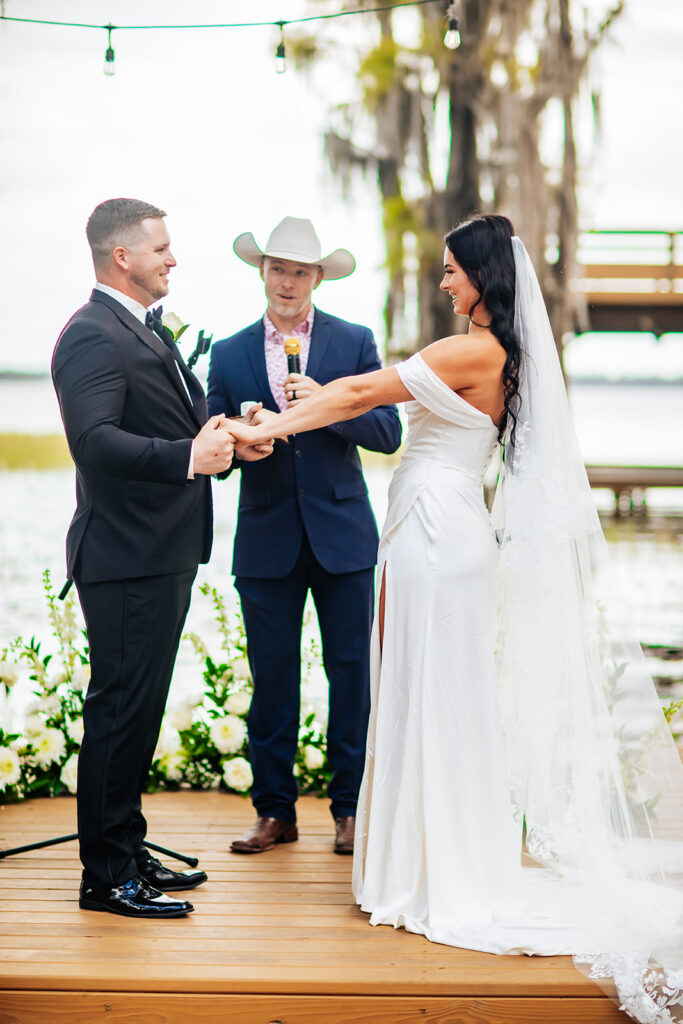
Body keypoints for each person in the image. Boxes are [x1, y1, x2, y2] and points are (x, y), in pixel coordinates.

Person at [227, 214, 683, 1022]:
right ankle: (429, 859)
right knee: (428, 693)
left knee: (429, 694)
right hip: (439, 525)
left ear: (482, 278)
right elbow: (360, 394)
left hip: (437, 534)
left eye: (449, 272)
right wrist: (288, 415)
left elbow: (365, 392)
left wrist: (268, 423)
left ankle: (434, 873)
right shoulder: (493, 352)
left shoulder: (476, 350)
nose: (441, 283)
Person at [52, 198, 264, 919]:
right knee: (118, 712)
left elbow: (180, 427)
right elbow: (95, 442)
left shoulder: (142, 328)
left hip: (160, 552)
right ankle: (105, 877)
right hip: (124, 555)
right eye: (161, 248)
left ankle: (126, 847)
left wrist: (232, 439)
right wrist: (186, 456)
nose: (173, 258)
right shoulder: (91, 335)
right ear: (122, 257)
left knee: (139, 714)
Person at [207, 216, 402, 855]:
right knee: (272, 679)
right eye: (277, 268)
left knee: (352, 677)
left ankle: (349, 811)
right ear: (261, 271)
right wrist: (244, 445)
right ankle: (275, 813)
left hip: (344, 537)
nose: (287, 282)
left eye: (300, 270)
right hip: (265, 539)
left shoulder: (353, 342)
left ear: (319, 277)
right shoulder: (230, 352)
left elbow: (388, 434)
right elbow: (214, 446)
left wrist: (330, 403)